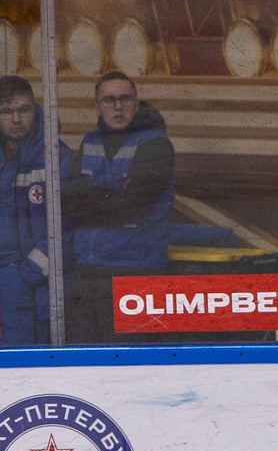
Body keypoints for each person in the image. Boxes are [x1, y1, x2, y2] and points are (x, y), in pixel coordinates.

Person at [62, 73, 173, 345]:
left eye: (125, 98)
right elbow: (68, 202)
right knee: (83, 359)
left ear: (136, 103)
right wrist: (112, 196)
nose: (118, 106)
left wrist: (91, 199)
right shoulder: (90, 142)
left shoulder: (156, 144)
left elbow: (133, 205)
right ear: (97, 107)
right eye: (109, 100)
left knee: (128, 363)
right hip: (88, 267)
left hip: (136, 268)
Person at [0, 76, 68, 346]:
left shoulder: (56, 156)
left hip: (36, 287)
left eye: (24, 110)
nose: (16, 119)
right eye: (6, 112)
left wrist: (25, 273)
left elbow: (67, 224)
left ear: (35, 108)